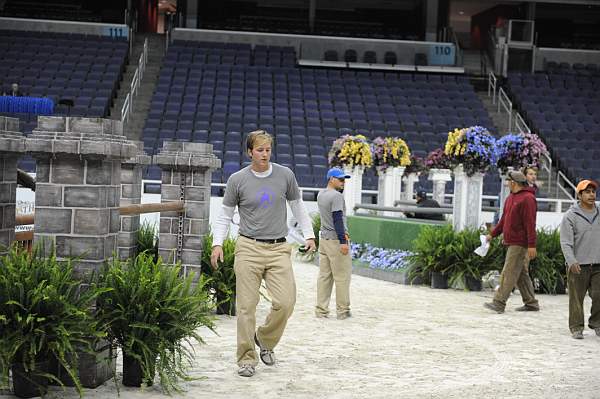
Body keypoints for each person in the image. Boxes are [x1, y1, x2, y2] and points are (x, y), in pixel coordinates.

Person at [210, 130, 316, 378]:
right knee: (246, 307)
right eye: (259, 150)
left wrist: (309, 234)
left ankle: (265, 339)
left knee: (285, 302)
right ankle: (247, 358)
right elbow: (225, 215)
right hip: (248, 248)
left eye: (268, 149)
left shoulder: (285, 175)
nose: (265, 154)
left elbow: (298, 207)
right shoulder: (237, 180)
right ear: (249, 152)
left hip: (279, 248)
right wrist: (217, 243)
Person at [484, 171, 539, 313]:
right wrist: (492, 234)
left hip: (520, 243)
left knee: (508, 272)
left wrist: (531, 245)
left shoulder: (528, 198)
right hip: (511, 241)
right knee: (520, 274)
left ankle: (499, 302)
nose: (507, 183)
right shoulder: (510, 198)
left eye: (508, 181)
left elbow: (530, 223)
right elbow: (503, 220)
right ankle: (531, 303)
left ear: (513, 182)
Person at [559, 179, 600, 339]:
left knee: (599, 296)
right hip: (578, 265)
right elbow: (566, 242)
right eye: (587, 192)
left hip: (598, 264)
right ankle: (576, 326)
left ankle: (597, 323)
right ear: (579, 195)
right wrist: (571, 261)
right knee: (576, 298)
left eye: (593, 192)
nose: (591, 195)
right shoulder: (570, 216)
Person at [315, 167, 352, 320]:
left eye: (344, 179)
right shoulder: (336, 196)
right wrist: (343, 241)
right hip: (336, 240)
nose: (343, 182)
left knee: (324, 276)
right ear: (332, 179)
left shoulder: (321, 194)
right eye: (341, 179)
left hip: (324, 239)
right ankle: (343, 311)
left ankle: (321, 310)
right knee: (342, 277)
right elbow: (337, 218)